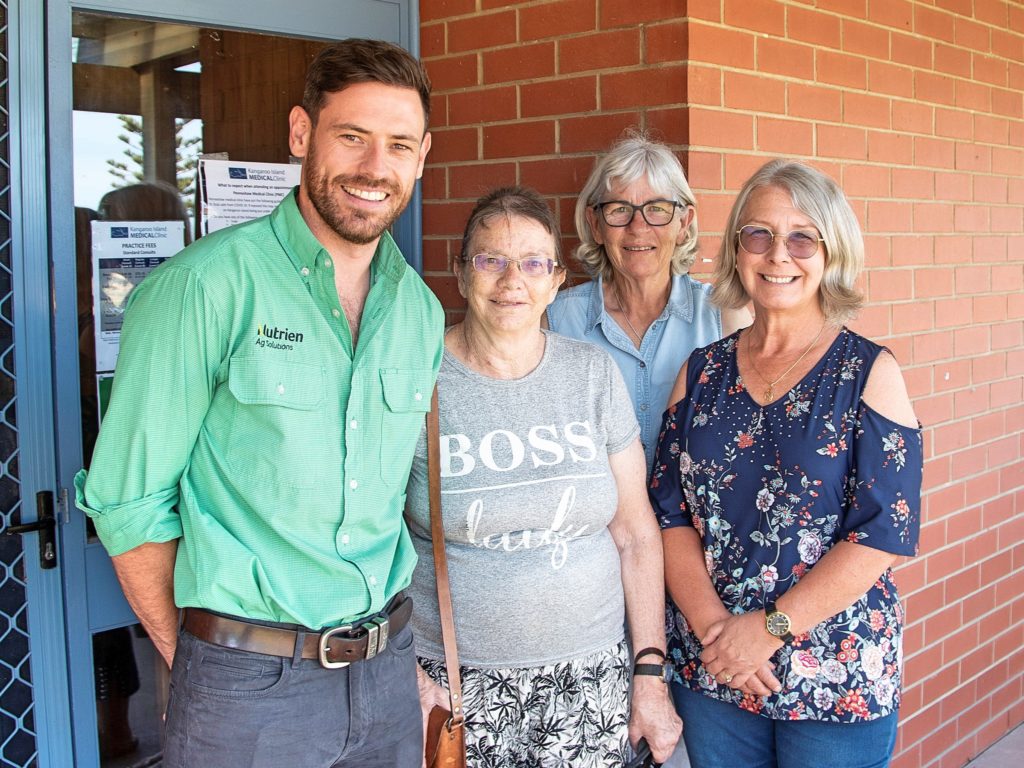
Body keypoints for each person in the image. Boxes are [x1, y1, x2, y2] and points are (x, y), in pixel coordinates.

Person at [75, 39, 443, 768]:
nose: (376, 167)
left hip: (387, 674)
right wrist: (203, 665)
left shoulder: (419, 310)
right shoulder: (204, 287)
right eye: (353, 137)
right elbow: (127, 503)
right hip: (246, 685)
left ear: (422, 156)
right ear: (302, 133)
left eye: (399, 145)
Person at [649, 159, 922, 768]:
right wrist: (718, 632)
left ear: (831, 252)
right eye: (759, 235)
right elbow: (669, 514)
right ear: (736, 249)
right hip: (715, 668)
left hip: (835, 672)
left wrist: (765, 631)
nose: (778, 255)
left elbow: (882, 534)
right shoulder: (701, 373)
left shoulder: (869, 373)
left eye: (802, 238)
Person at [406, 186, 681, 767]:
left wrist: (649, 675)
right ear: (461, 273)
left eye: (533, 263)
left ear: (556, 280)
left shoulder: (591, 375)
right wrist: (404, 671)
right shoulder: (416, 380)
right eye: (491, 260)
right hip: (453, 687)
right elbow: (371, 535)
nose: (513, 281)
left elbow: (635, 534)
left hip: (592, 682)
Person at [547, 131, 749, 473]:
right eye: (619, 209)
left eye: (657, 209)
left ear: (684, 223)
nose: (638, 227)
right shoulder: (555, 320)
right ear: (596, 225)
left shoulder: (724, 318)